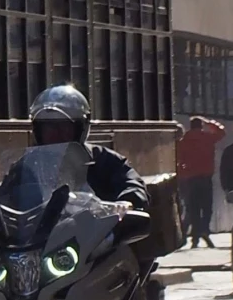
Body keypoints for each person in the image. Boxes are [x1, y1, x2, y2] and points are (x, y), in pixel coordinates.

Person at [13, 84, 147, 210]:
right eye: (48, 127)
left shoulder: (103, 160)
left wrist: (126, 203)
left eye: (64, 127)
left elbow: (133, 184)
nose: (56, 133)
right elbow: (5, 193)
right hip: (43, 233)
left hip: (94, 232)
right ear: (38, 130)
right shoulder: (27, 165)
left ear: (80, 129)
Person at [176, 114, 224, 245]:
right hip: (206, 177)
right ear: (201, 125)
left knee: (194, 208)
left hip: (190, 177)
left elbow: (179, 158)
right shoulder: (207, 137)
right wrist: (209, 122)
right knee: (207, 207)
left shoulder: (184, 139)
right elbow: (221, 132)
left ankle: (195, 236)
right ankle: (204, 230)